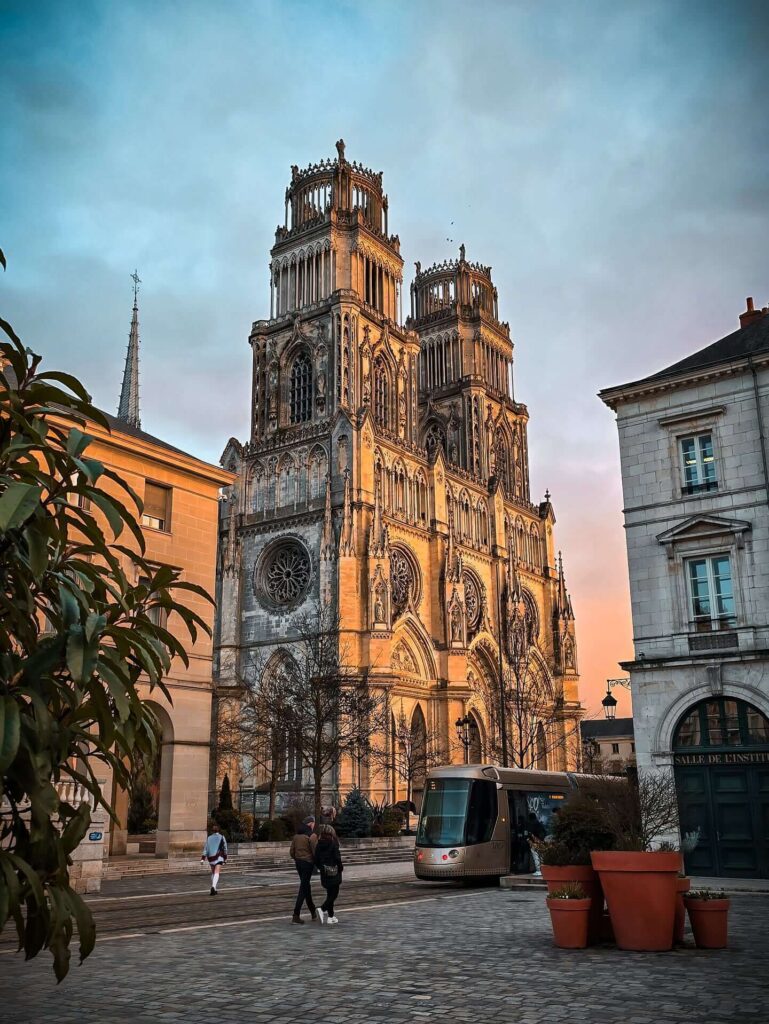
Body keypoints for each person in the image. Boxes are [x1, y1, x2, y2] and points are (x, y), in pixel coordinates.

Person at [289, 815, 318, 924]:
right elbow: (315, 852)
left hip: (298, 863)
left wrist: (297, 858)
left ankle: (313, 911)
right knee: (303, 887)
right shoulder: (312, 836)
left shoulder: (296, 836)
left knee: (306, 886)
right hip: (308, 864)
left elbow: (291, 852)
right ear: (311, 824)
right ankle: (296, 915)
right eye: (313, 823)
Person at [314, 824, 344, 925]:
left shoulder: (319, 844)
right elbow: (337, 858)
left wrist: (321, 868)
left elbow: (316, 859)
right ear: (332, 833)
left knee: (329, 894)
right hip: (334, 872)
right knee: (334, 894)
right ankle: (322, 909)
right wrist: (340, 868)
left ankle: (330, 917)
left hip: (324, 872)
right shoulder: (333, 844)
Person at [201, 822, 227, 895]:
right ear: (219, 830)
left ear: (212, 830)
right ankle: (213, 886)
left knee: (213, 873)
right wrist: (225, 858)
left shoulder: (209, 838)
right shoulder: (222, 837)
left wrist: (203, 858)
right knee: (217, 872)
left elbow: (205, 848)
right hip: (219, 857)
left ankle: (214, 889)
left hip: (211, 858)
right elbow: (225, 848)